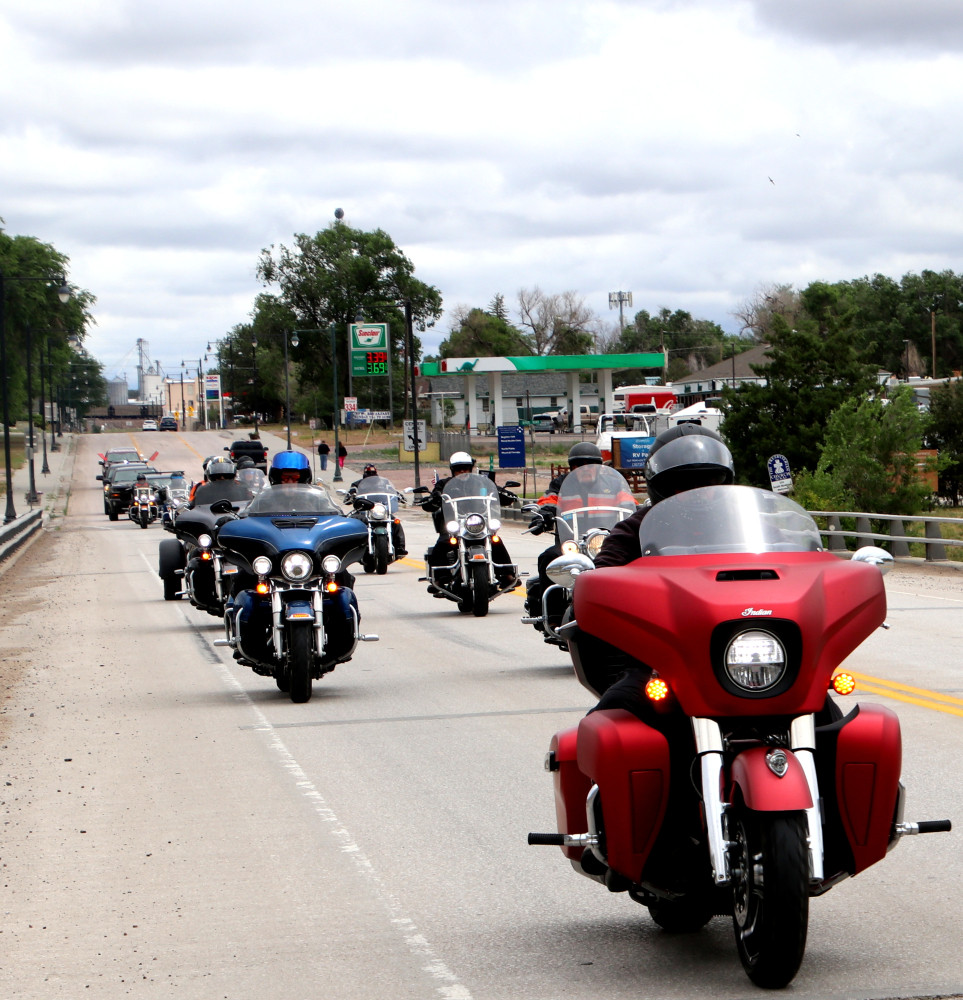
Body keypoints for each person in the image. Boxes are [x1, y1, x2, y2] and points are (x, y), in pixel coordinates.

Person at [524, 442, 634, 621]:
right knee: (547, 558)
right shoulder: (561, 484)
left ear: (598, 467)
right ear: (572, 467)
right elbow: (549, 500)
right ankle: (552, 616)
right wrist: (543, 515)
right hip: (572, 543)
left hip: (606, 541)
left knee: (637, 560)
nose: (584, 469)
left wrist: (640, 514)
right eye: (578, 465)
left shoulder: (614, 483)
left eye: (590, 465)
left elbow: (629, 503)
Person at [421, 451, 516, 588]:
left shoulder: (481, 482)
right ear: (453, 470)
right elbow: (435, 497)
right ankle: (439, 577)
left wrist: (505, 494)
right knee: (443, 542)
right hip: (456, 522)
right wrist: (433, 498)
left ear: (471, 468)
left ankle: (507, 574)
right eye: (459, 469)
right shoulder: (444, 484)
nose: (462, 471)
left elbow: (495, 490)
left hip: (478, 521)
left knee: (495, 540)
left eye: (465, 468)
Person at [348, 463, 407, 557]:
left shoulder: (384, 483)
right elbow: (351, 492)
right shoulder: (357, 484)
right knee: (353, 522)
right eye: (368, 473)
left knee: (395, 522)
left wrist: (399, 496)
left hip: (380, 509)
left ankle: (400, 547)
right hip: (365, 510)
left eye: (372, 472)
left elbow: (392, 491)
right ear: (364, 473)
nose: (370, 475)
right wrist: (350, 496)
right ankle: (352, 548)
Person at [189, 459, 253, 506]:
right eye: (218, 476)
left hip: (238, 519)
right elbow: (193, 508)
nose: (222, 479)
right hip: (209, 521)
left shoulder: (243, 487)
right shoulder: (202, 489)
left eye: (226, 476)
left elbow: (251, 506)